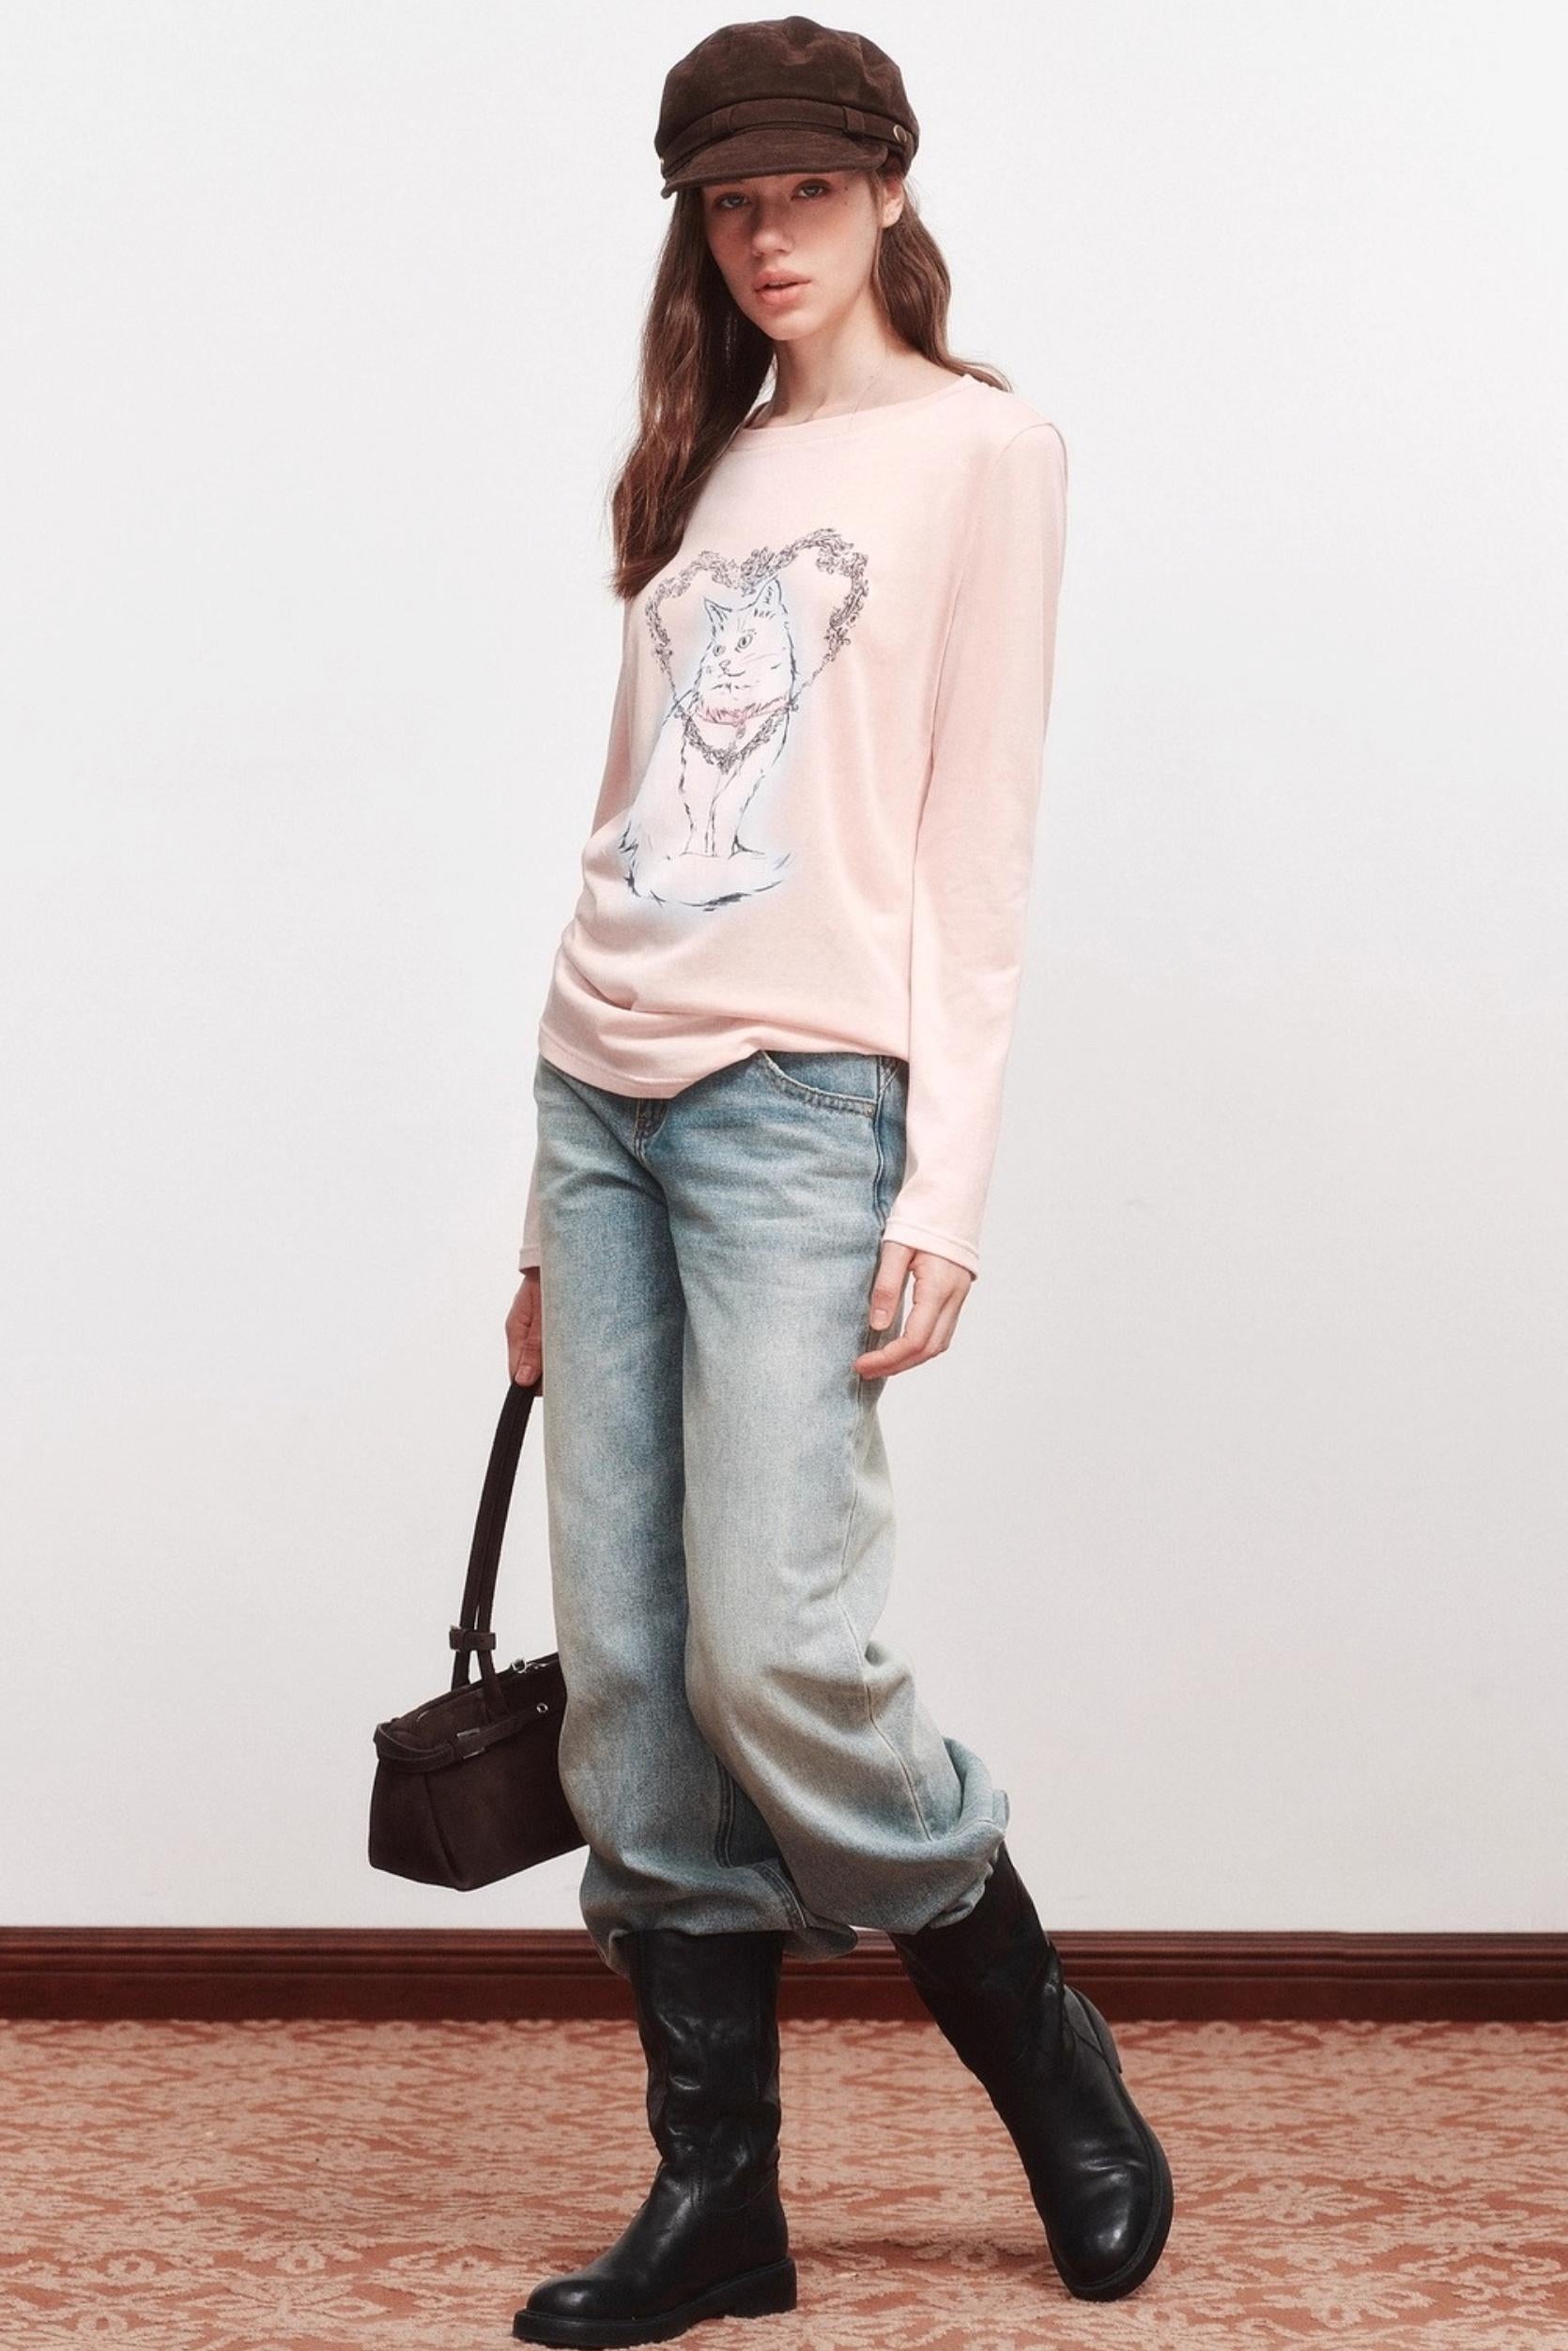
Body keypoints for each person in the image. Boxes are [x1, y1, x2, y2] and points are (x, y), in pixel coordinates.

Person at [502, 18, 1173, 2345]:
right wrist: (539, 1222)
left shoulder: (987, 453)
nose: (764, 237)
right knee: (628, 1677)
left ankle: (1042, 2046)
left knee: (777, 1639)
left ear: (888, 187)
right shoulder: (702, 459)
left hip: (807, 1104)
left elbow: (978, 844)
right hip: (598, 1095)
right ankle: (721, 2201)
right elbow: (621, 824)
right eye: (725, 203)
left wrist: (943, 1184)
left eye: (800, 191)